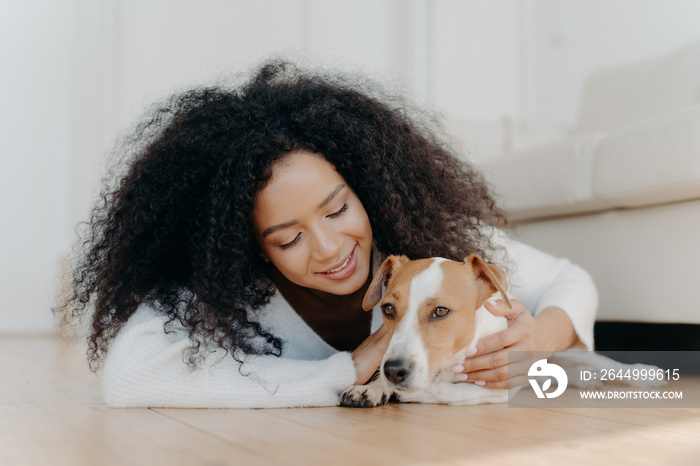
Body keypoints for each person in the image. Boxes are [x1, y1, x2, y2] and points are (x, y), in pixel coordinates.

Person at [63, 61, 597, 408]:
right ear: (246, 246)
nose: (329, 249)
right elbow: (128, 377)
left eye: (337, 209)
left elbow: (569, 281)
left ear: (366, 186)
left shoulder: (430, 253)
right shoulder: (231, 295)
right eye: (288, 240)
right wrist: (350, 367)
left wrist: (543, 338)